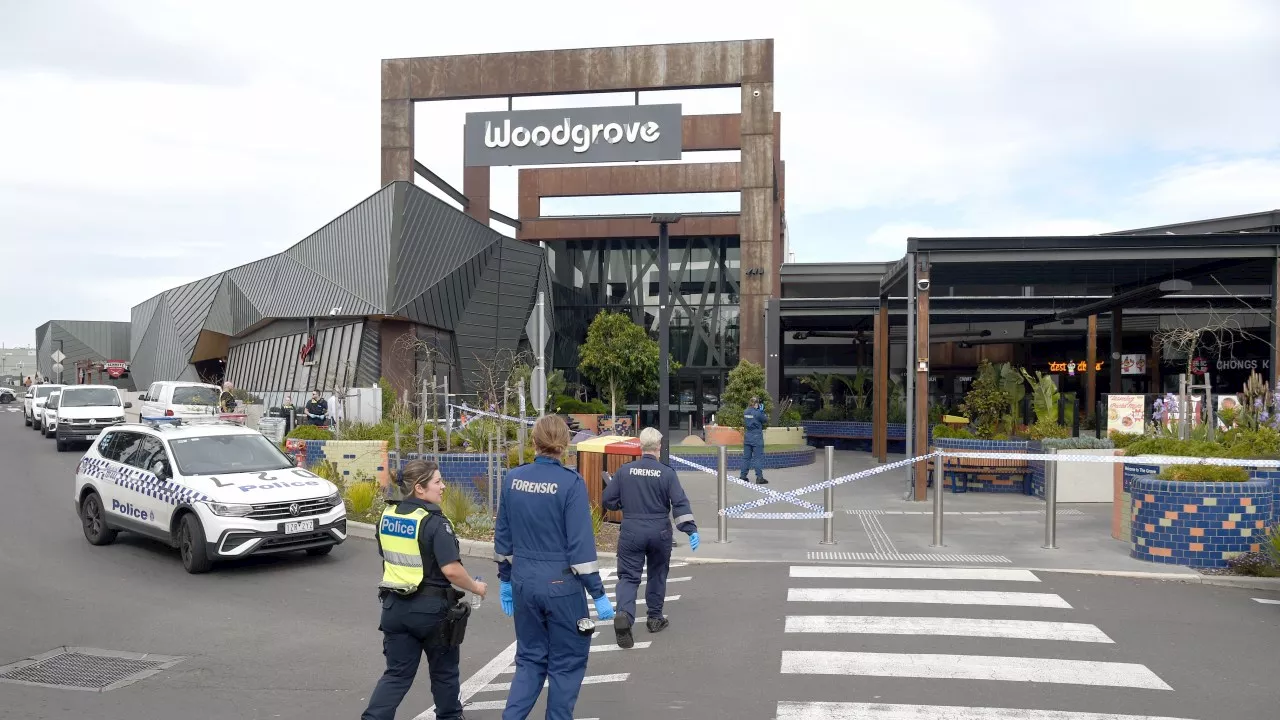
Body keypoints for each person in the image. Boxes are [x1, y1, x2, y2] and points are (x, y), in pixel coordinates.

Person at [494, 415, 615, 720]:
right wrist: (598, 594)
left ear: (534, 441)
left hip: (524, 583)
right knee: (566, 663)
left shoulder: (513, 479)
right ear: (565, 444)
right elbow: (580, 549)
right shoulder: (570, 483)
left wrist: (506, 580)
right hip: (562, 588)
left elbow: (503, 538)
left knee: (529, 660)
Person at [362, 460, 487, 720]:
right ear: (420, 488)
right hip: (432, 612)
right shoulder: (434, 522)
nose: (443, 486)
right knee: (444, 674)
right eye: (437, 482)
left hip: (394, 609)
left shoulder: (387, 516)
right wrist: (476, 587)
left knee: (396, 675)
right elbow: (451, 570)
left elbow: (387, 556)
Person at [602, 427, 698, 648]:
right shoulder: (667, 473)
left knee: (628, 577)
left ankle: (624, 615)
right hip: (659, 531)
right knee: (657, 573)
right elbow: (679, 503)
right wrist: (690, 529)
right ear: (659, 447)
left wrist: (621, 503)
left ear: (639, 446)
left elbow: (608, 499)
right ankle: (655, 618)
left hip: (631, 530)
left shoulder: (625, 471)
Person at [741, 396, 768, 485]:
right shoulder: (758, 413)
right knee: (757, 458)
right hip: (756, 437)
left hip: (748, 436)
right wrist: (761, 411)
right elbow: (765, 420)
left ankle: (743, 476)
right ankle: (759, 478)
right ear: (756, 404)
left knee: (746, 458)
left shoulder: (745, 411)